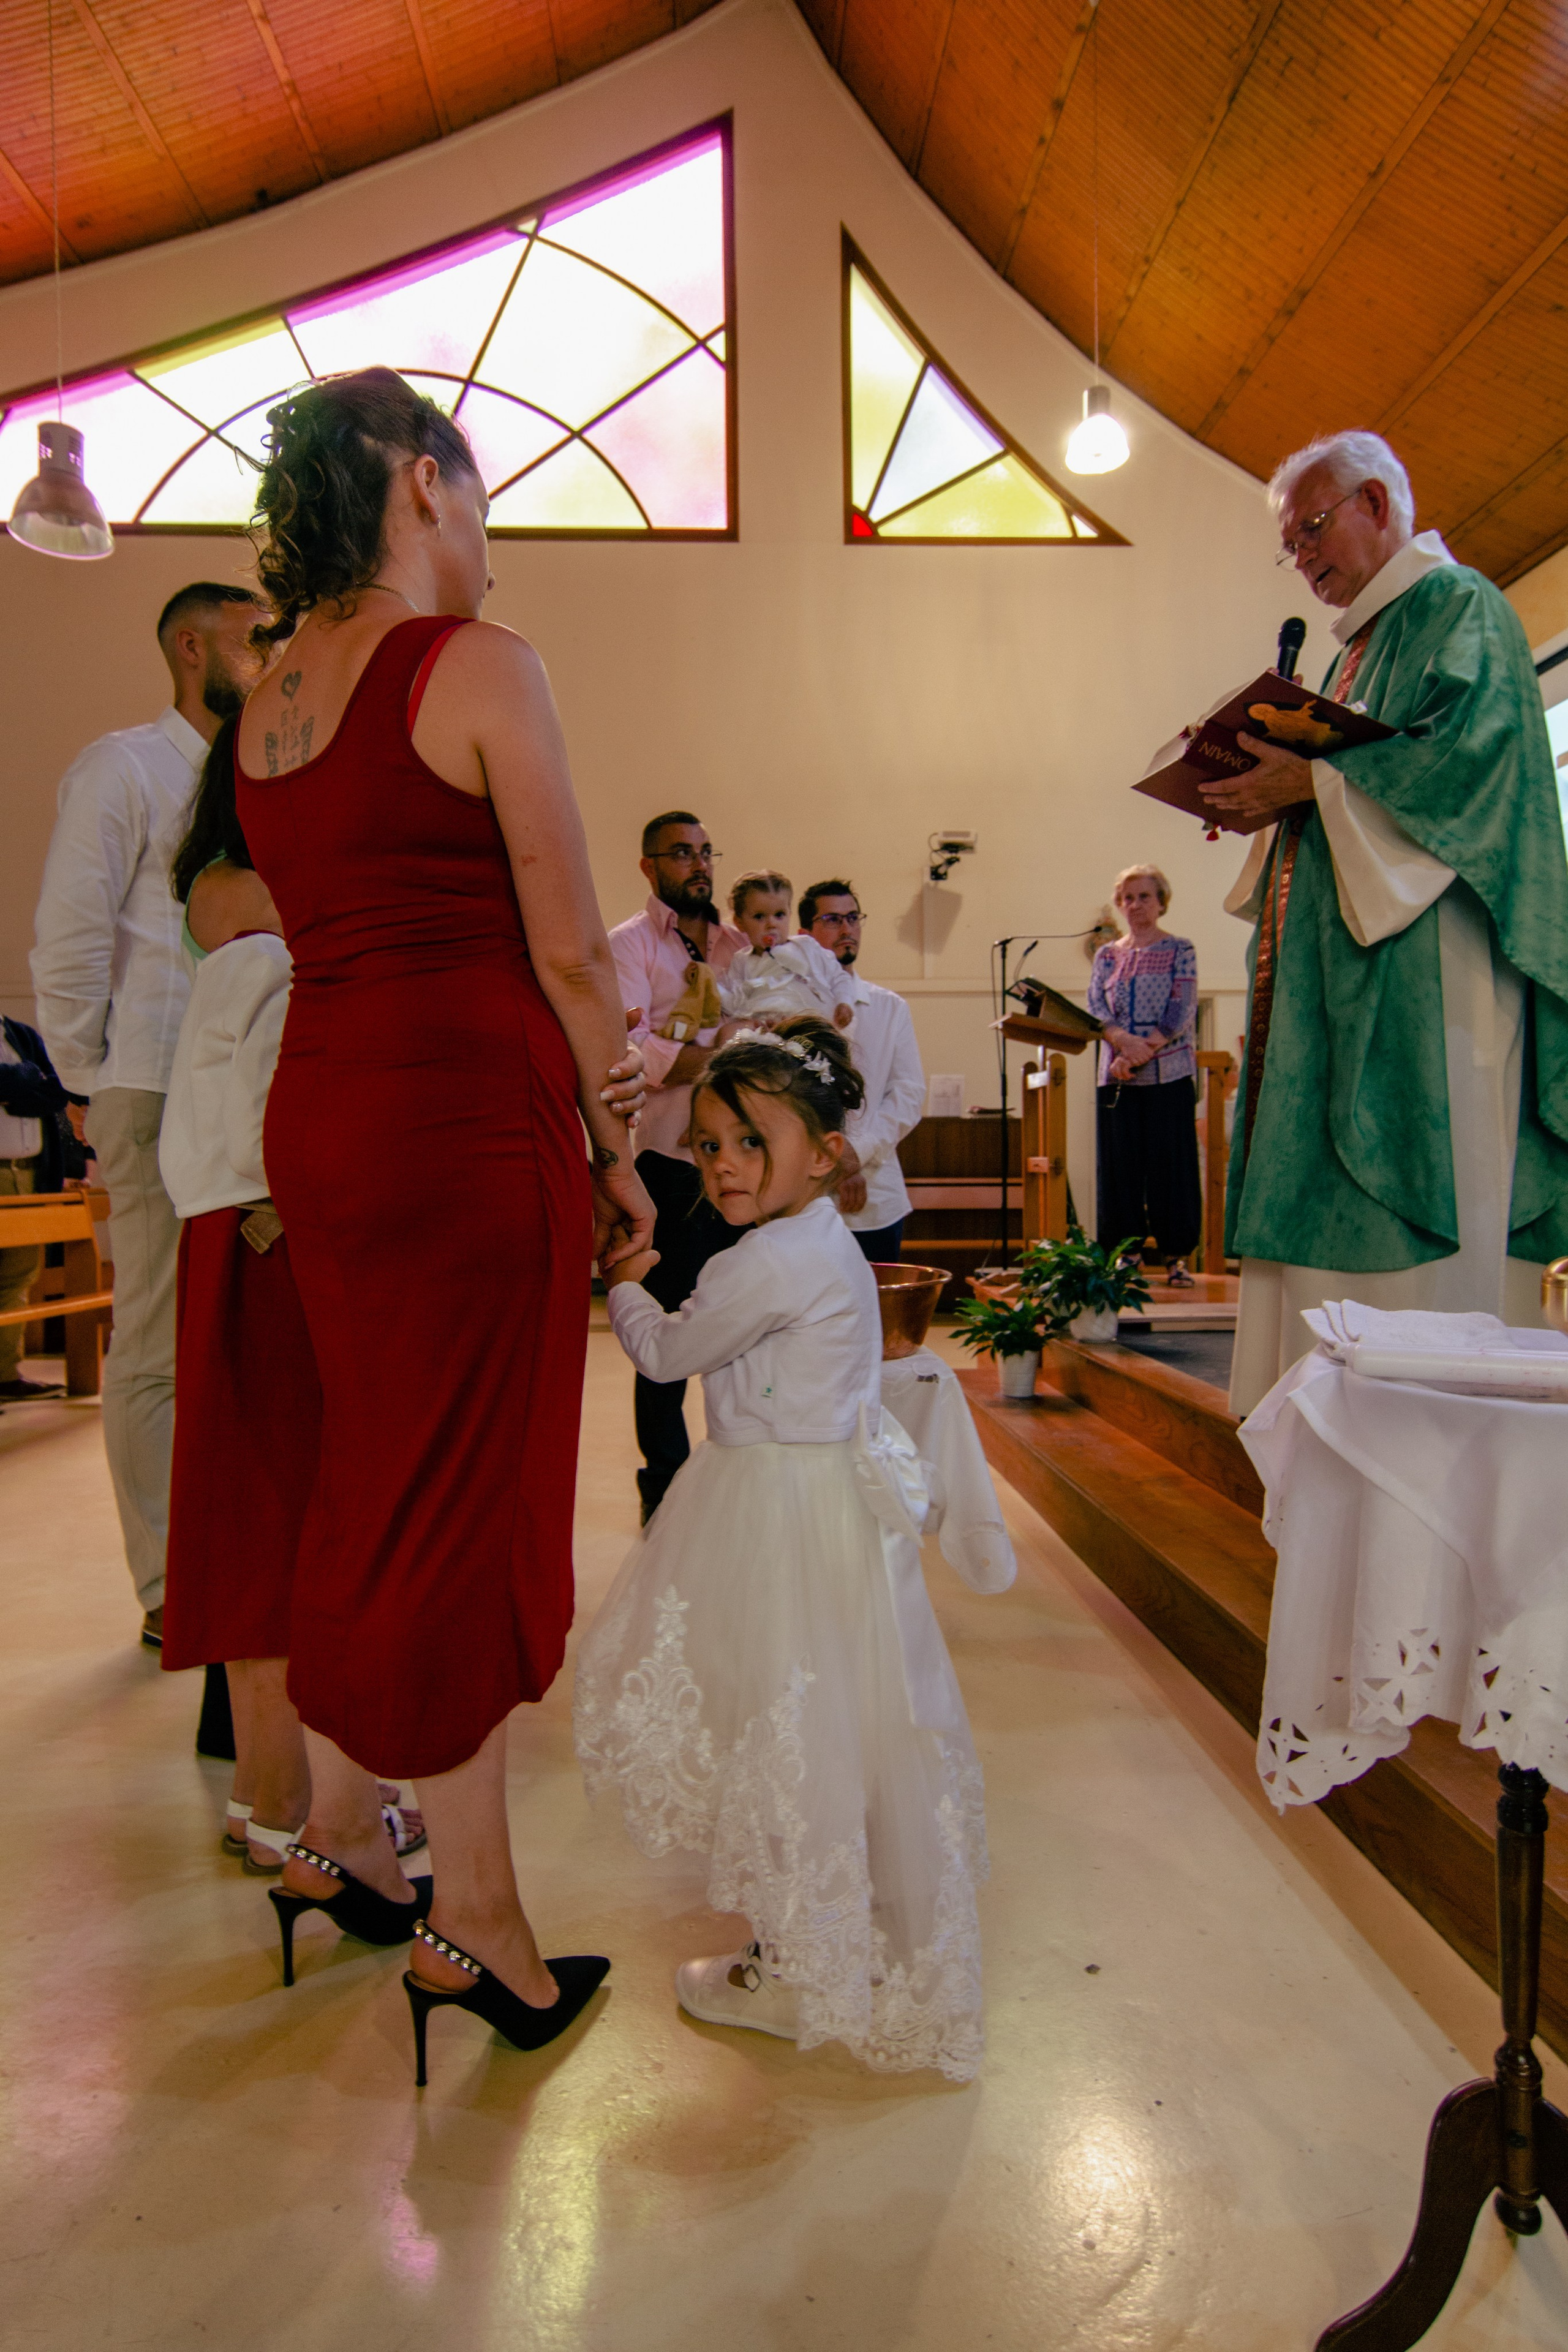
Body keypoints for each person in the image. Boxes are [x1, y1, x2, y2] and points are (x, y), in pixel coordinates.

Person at [234, 367, 649, 2070]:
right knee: (461, 1495)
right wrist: (621, 1137)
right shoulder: (476, 667)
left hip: (327, 1112)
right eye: (477, 501)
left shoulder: (266, 693)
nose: (486, 541)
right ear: (420, 481)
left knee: (365, 1464)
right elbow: (567, 943)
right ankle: (476, 1922)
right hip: (462, 1122)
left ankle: (341, 1837)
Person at [576, 1019, 988, 2081]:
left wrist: (624, 1284)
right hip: (828, 1512)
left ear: (824, 1151)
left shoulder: (765, 1260)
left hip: (776, 1511)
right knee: (832, 1717)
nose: (722, 1165)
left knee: (782, 1715)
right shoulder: (826, 1245)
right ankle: (842, 1921)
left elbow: (669, 1354)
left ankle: (799, 1963)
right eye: (709, 1144)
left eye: (751, 1141)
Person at [1199, 430, 1568, 1414]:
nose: (1306, 556)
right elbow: (1344, 778)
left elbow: (1467, 769)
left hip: (1429, 974)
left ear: (1375, 504)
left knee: (1428, 1202)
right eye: (1292, 545)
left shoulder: (1462, 607)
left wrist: (1310, 782)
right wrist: (1265, 793)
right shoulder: (1361, 644)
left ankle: (1423, 1438)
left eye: (1312, 529)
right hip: (1343, 972)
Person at [31, 582, 266, 1643]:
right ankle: (169, 1586)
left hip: (248, 1087)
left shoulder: (264, 769)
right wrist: (86, 1081)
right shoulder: (122, 767)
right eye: (252, 638)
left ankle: (237, 1556)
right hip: (150, 1083)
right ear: (188, 647)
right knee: (157, 1345)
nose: (270, 655)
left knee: (249, 1341)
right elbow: (71, 940)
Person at [609, 812, 748, 1521]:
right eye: (681, 854)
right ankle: (662, 1488)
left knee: (744, 1324)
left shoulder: (739, 943)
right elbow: (637, 1049)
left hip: (747, 1170)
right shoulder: (627, 946)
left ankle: (738, 1478)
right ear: (649, 866)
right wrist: (723, 1055)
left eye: (704, 852)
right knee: (663, 1332)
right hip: (669, 1164)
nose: (698, 865)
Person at [1085, 865, 1200, 1284]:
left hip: (1167, 1075)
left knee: (1171, 1168)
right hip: (1115, 1078)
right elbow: (1096, 1007)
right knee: (1120, 1169)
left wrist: (1137, 1051)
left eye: (1145, 897)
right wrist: (1119, 1040)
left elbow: (1182, 1008)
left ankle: (1176, 1257)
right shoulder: (1107, 955)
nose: (1136, 905)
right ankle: (1125, 1255)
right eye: (1128, 898)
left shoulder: (1180, 949)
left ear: (1162, 902)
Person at [800, 879, 924, 1262]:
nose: (847, 929)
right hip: (803, 1192)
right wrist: (829, 1159)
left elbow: (907, 1094)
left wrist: (856, 1152)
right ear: (805, 934)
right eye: (833, 919)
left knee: (877, 1315)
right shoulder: (792, 1006)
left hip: (875, 1192)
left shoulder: (890, 1008)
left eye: (853, 918)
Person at [0, 1016, 70, 1400]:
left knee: (19, 1276)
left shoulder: (21, 1034)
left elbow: (58, 1090)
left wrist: (15, 1082)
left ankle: (5, 1374)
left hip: (29, 1174)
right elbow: (29, 1082)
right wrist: (26, 1079)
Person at [717, 870, 856, 1028]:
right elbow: (734, 1004)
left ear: (790, 914)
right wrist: (712, 988)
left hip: (811, 1025)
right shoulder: (742, 961)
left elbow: (839, 977)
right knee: (728, 1034)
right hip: (767, 1032)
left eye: (779, 915)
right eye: (759, 917)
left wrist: (844, 1002)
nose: (772, 924)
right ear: (740, 922)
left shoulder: (806, 947)